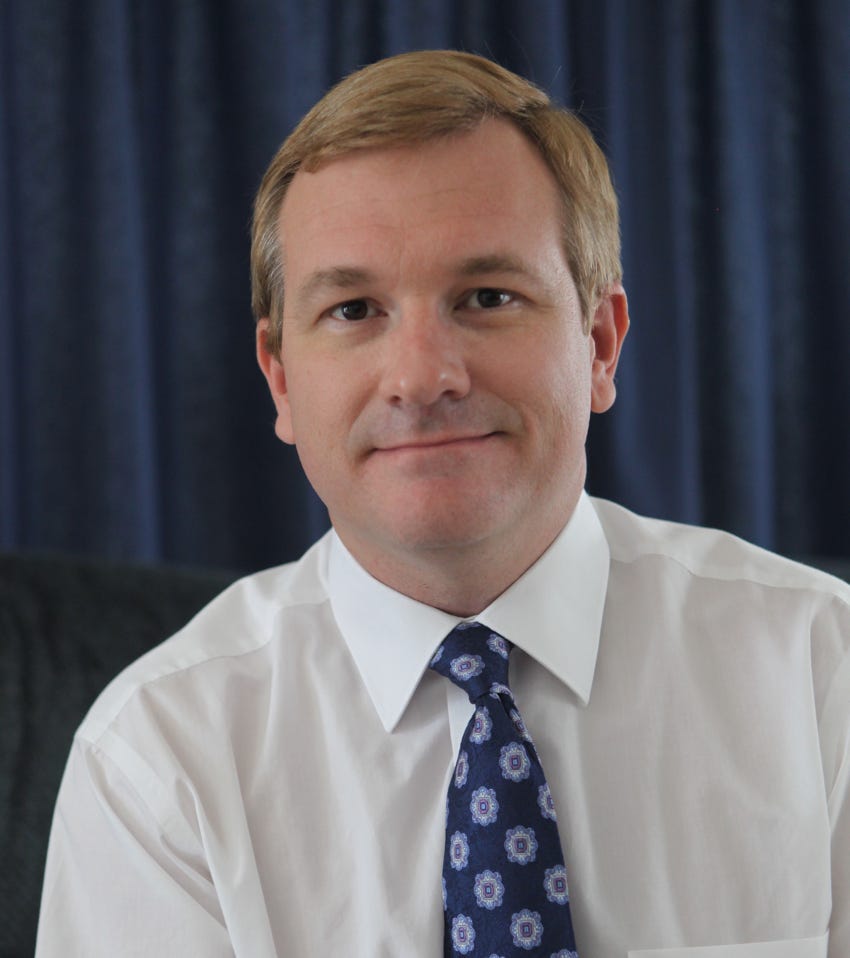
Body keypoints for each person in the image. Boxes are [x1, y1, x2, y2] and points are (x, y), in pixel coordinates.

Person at [36, 49, 848, 957]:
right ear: (281, 379)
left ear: (599, 343)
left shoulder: (825, 675)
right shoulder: (157, 762)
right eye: (353, 310)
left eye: (488, 297)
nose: (422, 378)